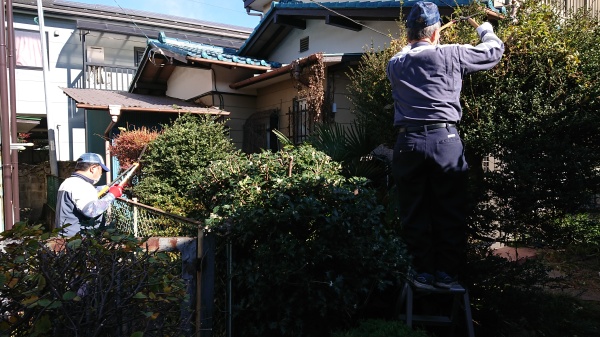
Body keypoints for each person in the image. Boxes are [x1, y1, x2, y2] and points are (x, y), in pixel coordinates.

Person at [386, 1, 504, 290]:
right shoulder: (452, 54)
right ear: (436, 32)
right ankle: (447, 275)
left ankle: (422, 272)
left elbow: (407, 52)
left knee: (413, 210)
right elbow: (494, 51)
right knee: (449, 210)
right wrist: (485, 29)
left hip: (408, 143)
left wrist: (411, 45)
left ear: (408, 34)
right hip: (444, 141)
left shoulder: (395, 64)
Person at [55, 153, 123, 237]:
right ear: (93, 168)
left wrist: (106, 188)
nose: (101, 174)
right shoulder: (82, 185)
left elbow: (83, 195)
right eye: (101, 171)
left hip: (66, 235)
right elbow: (91, 211)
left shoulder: (69, 182)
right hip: (78, 241)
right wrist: (112, 195)